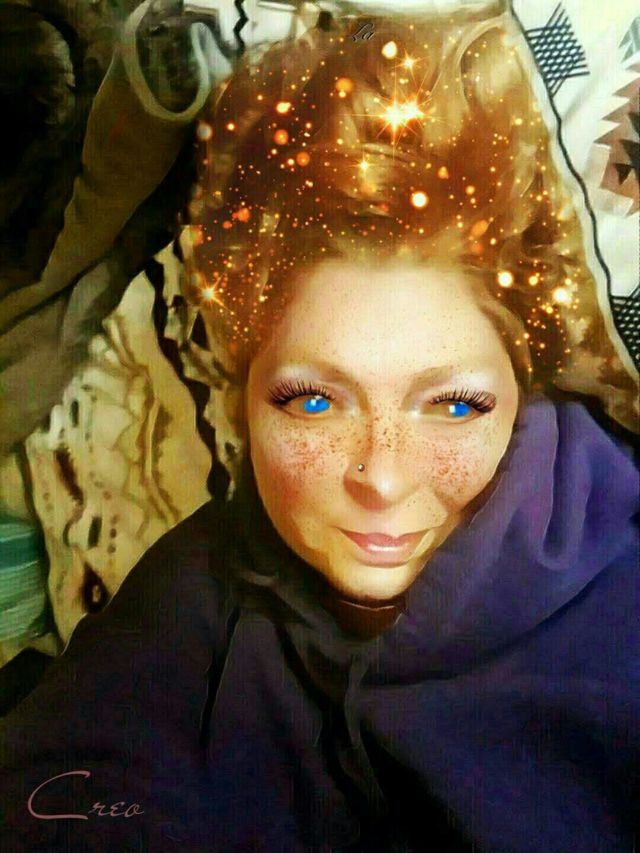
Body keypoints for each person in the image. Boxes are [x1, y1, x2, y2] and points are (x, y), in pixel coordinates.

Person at [0, 7, 638, 852]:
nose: (381, 477)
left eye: (453, 405)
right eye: (313, 401)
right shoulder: (203, 580)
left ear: (522, 386)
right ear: (244, 390)